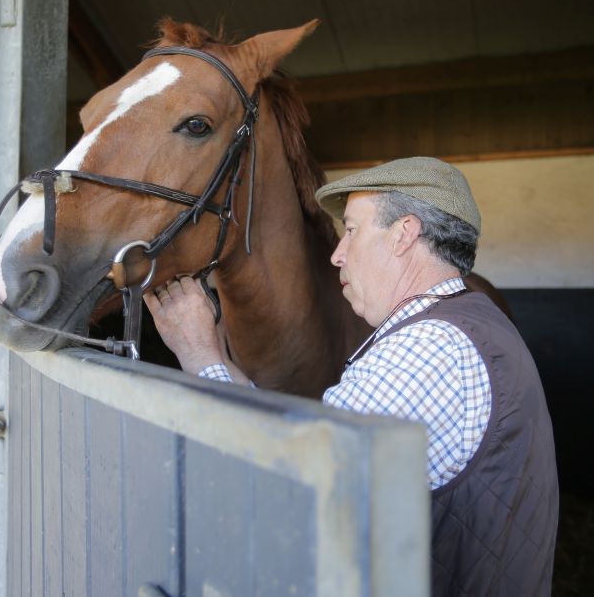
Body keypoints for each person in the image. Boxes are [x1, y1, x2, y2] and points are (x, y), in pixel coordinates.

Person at [145, 156, 558, 595]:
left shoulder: (427, 349)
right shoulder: (472, 323)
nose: (338, 255)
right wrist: (219, 364)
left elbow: (288, 497)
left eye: (353, 230)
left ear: (404, 235)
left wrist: (196, 351)